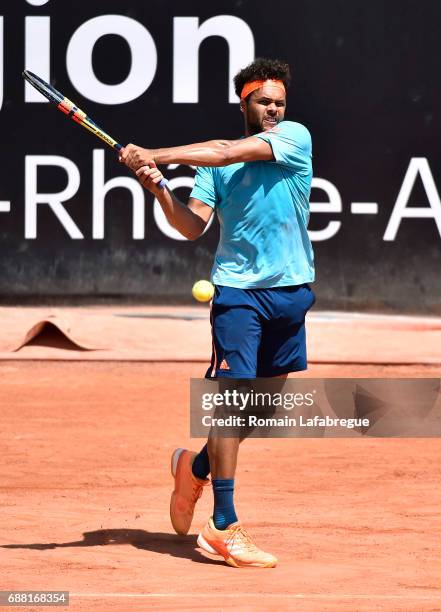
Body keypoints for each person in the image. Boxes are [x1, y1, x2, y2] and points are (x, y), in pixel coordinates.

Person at [121, 58, 315, 568]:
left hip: (291, 291)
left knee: (261, 410)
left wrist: (155, 152)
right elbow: (192, 227)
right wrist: (159, 187)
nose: (272, 109)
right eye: (262, 101)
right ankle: (224, 525)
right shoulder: (215, 169)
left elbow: (228, 149)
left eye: (278, 101)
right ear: (243, 102)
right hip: (237, 296)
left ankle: (195, 467)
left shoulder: (293, 137)